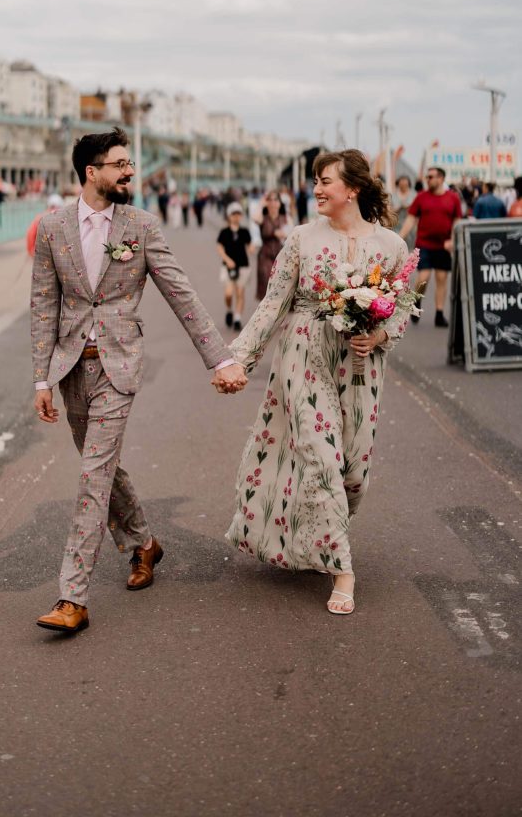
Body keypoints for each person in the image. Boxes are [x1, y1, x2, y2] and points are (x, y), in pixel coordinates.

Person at [31, 129, 246, 636]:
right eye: (120, 164)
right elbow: (43, 306)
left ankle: (72, 597)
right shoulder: (52, 228)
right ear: (92, 172)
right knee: (102, 468)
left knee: (92, 475)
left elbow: (183, 296)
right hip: (70, 369)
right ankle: (144, 543)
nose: (130, 172)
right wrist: (41, 378)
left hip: (118, 367)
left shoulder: (141, 226)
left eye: (131, 164)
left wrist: (221, 360)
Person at [215, 149, 410, 616]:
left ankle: (315, 533)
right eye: (316, 181)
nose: (317, 189)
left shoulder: (392, 247)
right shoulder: (301, 239)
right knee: (321, 457)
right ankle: (342, 569)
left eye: (326, 181)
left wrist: (379, 334)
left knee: (354, 472)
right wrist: (235, 360)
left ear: (353, 189)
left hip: (363, 366)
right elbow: (272, 304)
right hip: (304, 354)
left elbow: (402, 308)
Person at [399, 166, 461, 328]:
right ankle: (417, 300)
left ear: (441, 178)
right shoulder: (421, 197)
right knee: (423, 278)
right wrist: (399, 239)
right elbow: (411, 219)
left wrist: (453, 240)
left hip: (444, 245)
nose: (428, 179)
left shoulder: (453, 198)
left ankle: (439, 314)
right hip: (424, 244)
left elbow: (457, 221)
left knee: (441, 279)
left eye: (431, 177)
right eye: (427, 177)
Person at [216, 202, 255, 332]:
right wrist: (227, 260)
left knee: (240, 292)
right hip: (228, 267)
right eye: (234, 214)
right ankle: (229, 310)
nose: (236, 216)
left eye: (238, 214)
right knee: (228, 293)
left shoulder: (245, 232)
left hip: (243, 266)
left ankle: (237, 318)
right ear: (229, 216)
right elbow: (220, 248)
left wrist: (252, 248)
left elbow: (249, 247)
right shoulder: (224, 232)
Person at [256, 190, 289, 300]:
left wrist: (284, 234)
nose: (273, 203)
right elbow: (255, 218)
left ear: (280, 203)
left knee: (281, 290)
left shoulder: (286, 218)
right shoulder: (263, 218)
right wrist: (261, 204)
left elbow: (293, 235)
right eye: (270, 200)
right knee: (267, 289)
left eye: (276, 200)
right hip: (265, 257)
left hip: (282, 257)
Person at [392, 175, 416, 248]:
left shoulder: (414, 195)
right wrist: (400, 207)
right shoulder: (393, 195)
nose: (403, 185)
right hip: (395, 225)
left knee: (409, 248)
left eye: (405, 183)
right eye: (401, 183)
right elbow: (389, 210)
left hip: (410, 227)